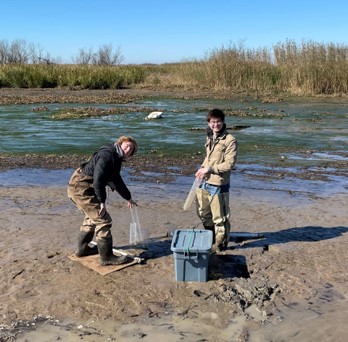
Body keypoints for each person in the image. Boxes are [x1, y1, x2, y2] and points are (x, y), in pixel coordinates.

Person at [67, 136, 138, 266]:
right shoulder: (108, 155)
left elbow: (117, 181)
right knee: (103, 220)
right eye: (127, 145)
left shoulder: (116, 158)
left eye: (131, 149)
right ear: (120, 143)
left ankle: (82, 250)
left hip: (83, 186)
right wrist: (102, 202)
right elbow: (98, 179)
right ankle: (106, 257)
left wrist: (128, 198)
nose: (128, 149)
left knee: (91, 218)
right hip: (80, 188)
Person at [195, 109, 237, 253]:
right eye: (213, 121)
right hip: (205, 181)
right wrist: (202, 167)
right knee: (203, 213)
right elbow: (209, 158)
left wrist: (209, 169)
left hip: (219, 184)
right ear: (208, 122)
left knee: (220, 218)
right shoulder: (209, 136)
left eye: (218, 121)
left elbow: (229, 164)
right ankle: (211, 237)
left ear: (223, 122)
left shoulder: (230, 140)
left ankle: (221, 245)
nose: (216, 124)